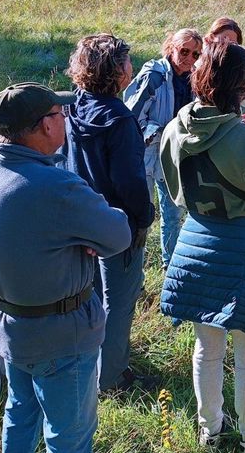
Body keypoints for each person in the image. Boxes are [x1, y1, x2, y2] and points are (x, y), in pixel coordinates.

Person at [0, 82, 131, 453]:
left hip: (9, 329)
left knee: (20, 415)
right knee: (68, 437)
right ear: (45, 125)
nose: (66, 120)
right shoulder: (58, 187)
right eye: (61, 114)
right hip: (60, 336)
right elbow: (118, 233)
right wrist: (89, 225)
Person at [159, 42, 245, 451]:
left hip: (195, 241)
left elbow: (173, 189)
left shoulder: (174, 129)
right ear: (239, 89)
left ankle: (209, 429)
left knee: (207, 347)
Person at [60, 34, 157, 393]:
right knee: (120, 302)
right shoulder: (120, 119)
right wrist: (143, 217)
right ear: (118, 71)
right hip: (118, 225)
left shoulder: (77, 107)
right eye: (128, 62)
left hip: (85, 219)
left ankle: (93, 359)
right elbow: (130, 183)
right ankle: (113, 377)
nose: (132, 67)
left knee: (94, 295)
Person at [124, 28, 203, 269]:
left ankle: (171, 266)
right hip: (147, 153)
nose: (189, 59)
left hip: (175, 154)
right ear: (171, 48)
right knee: (141, 216)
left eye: (196, 54)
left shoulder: (195, 78)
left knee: (173, 213)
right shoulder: (154, 75)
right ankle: (134, 271)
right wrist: (160, 132)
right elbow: (131, 116)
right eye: (184, 51)